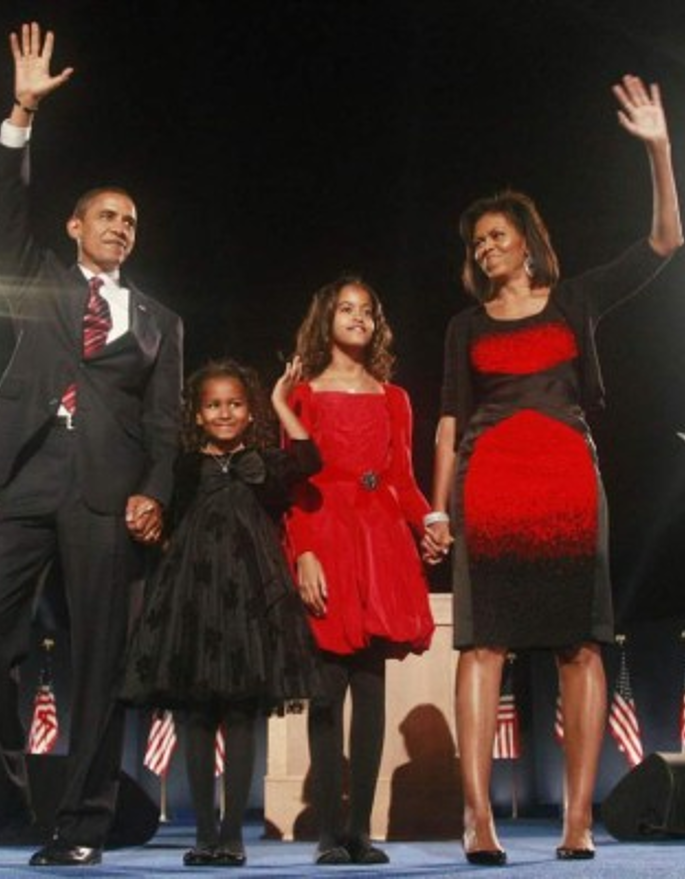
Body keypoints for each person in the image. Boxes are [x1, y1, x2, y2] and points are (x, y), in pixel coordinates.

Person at [0, 22, 183, 868]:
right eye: (107, 215)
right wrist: (21, 115)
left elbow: (168, 420)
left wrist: (156, 489)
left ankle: (83, 823)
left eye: (131, 220)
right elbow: (4, 214)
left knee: (100, 660)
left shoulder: (158, 322)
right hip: (25, 471)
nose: (121, 227)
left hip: (108, 494)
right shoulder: (33, 277)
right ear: (75, 226)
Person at [426, 74, 683, 864]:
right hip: (491, 484)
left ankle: (578, 819)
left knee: (580, 644)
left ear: (528, 241)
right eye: (477, 242)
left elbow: (665, 244)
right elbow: (447, 421)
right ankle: (479, 819)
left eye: (498, 235)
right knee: (482, 647)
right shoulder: (464, 326)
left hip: (568, 481)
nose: (486, 247)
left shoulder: (574, 301)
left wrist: (659, 151)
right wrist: (438, 509)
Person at [122, 358, 325, 868]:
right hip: (191, 598)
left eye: (235, 404)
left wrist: (280, 400)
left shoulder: (265, 462)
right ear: (197, 414)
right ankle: (204, 834)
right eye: (214, 405)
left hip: (250, 602)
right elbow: (158, 509)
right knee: (193, 714)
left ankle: (233, 834)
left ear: (249, 409)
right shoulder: (184, 466)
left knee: (239, 714)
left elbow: (310, 457)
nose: (225, 413)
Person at [284, 276, 441, 866]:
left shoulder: (394, 398)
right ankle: (327, 833)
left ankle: (359, 831)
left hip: (378, 544)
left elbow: (401, 479)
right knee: (326, 693)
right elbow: (293, 484)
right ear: (325, 320)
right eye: (345, 309)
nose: (357, 317)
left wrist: (429, 522)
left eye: (367, 311)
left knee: (371, 691)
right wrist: (302, 552)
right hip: (324, 537)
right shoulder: (301, 393)